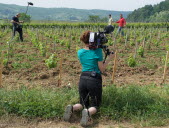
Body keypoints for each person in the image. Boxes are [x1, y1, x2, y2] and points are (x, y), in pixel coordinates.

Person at [63, 31, 114, 127]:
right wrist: (109, 58)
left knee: (82, 103)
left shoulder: (80, 52)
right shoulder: (98, 51)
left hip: (83, 78)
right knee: (95, 105)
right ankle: (88, 113)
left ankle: (72, 108)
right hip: (94, 79)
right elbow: (102, 69)